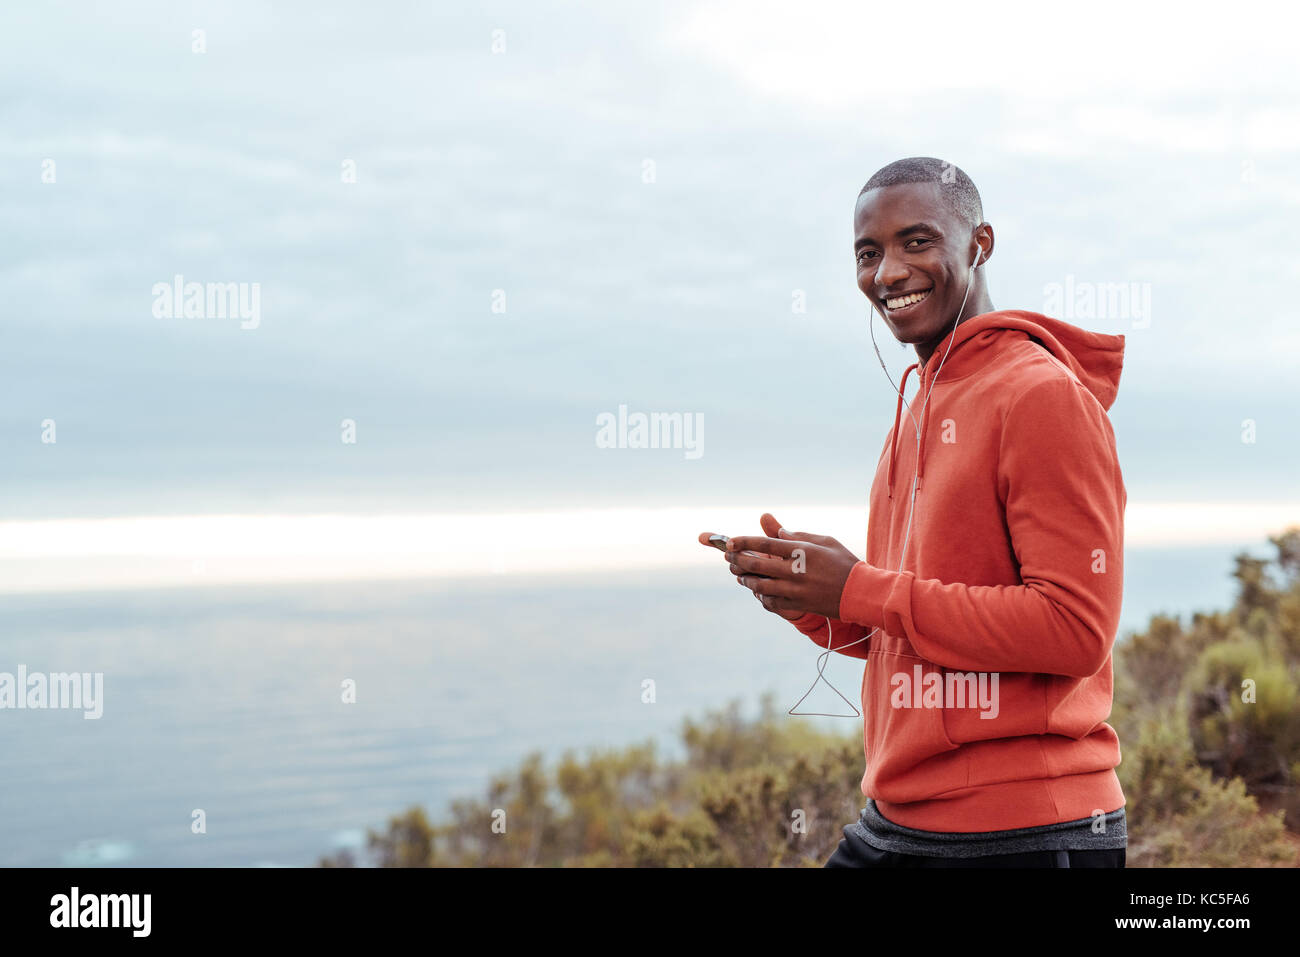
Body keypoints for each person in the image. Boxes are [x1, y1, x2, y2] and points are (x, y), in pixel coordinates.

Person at [699, 157, 1127, 867]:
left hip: (1024, 833)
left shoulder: (1040, 396)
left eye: (916, 241)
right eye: (868, 253)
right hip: (899, 822)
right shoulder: (920, 407)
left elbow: (1074, 631)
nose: (888, 272)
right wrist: (811, 599)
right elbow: (920, 630)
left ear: (979, 244)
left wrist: (859, 586)